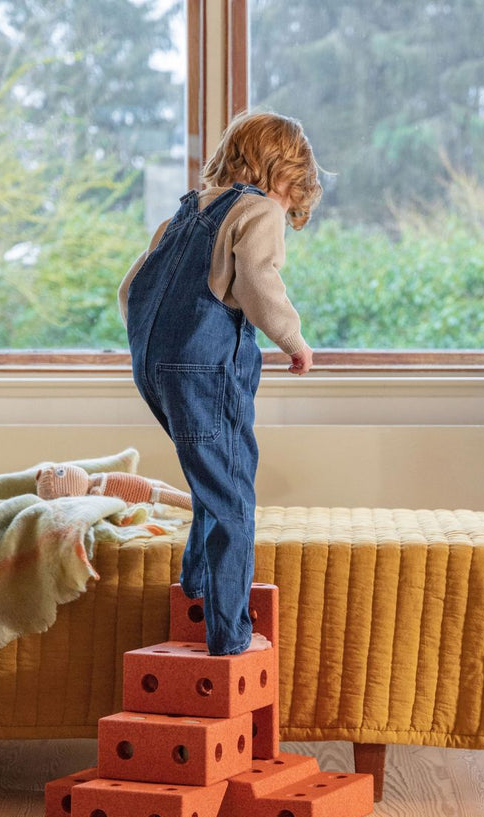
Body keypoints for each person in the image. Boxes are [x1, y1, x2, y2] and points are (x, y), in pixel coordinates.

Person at [118, 111, 321, 656]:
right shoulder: (258, 209)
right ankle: (229, 635)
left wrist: (155, 348)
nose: (286, 209)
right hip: (204, 370)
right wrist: (293, 340)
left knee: (212, 478)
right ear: (283, 175)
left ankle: (197, 587)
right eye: (292, 197)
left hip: (153, 368)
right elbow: (258, 278)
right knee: (233, 494)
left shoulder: (183, 215)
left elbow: (131, 288)